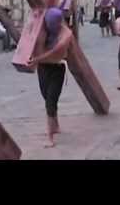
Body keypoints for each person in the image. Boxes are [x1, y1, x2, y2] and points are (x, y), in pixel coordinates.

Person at [27, 8, 73, 148]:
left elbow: (56, 50)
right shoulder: (43, 29)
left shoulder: (66, 34)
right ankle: (56, 124)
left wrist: (37, 59)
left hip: (57, 68)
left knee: (51, 100)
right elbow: (29, 36)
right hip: (43, 68)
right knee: (47, 97)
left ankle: (50, 137)